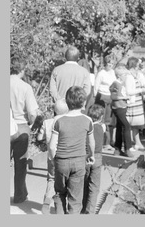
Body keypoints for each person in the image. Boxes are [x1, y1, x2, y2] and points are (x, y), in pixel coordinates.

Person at [49, 86, 95, 214]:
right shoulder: (88, 120)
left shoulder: (58, 121)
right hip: (79, 161)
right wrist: (91, 155)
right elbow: (91, 143)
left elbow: (52, 146)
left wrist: (54, 159)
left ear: (67, 102)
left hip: (61, 161)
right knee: (75, 199)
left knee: (59, 193)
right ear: (83, 102)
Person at [10, 57, 39, 204]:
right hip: (21, 126)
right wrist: (31, 123)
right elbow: (33, 112)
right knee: (20, 163)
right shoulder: (25, 87)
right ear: (22, 69)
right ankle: (19, 195)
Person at [37, 99, 69, 214]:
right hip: (64, 156)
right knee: (63, 182)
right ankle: (59, 206)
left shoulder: (47, 122)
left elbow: (40, 138)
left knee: (51, 179)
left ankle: (46, 202)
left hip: (51, 157)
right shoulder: (66, 122)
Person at [81, 104, 105, 214]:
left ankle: (81, 208)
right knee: (94, 186)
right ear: (101, 117)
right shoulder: (102, 127)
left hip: (86, 156)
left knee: (84, 184)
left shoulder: (86, 127)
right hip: (98, 157)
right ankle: (90, 211)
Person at [109, 64, 134, 158]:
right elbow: (113, 96)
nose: (125, 77)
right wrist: (125, 97)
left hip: (123, 107)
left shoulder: (121, 84)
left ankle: (117, 149)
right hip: (118, 107)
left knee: (120, 127)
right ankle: (128, 148)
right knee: (126, 126)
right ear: (119, 75)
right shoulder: (115, 84)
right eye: (124, 75)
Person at [93, 55, 116, 149]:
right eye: (109, 64)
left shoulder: (113, 73)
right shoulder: (101, 73)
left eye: (112, 64)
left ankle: (108, 142)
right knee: (101, 120)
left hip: (110, 97)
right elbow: (96, 87)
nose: (110, 65)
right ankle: (102, 142)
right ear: (105, 64)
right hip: (102, 97)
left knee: (108, 121)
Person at [125, 57, 145, 151]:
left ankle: (137, 143)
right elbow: (129, 91)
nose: (139, 67)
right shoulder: (128, 76)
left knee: (136, 125)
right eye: (138, 65)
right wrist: (141, 90)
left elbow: (142, 83)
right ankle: (130, 144)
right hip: (132, 104)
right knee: (131, 125)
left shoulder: (136, 75)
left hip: (137, 102)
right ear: (133, 65)